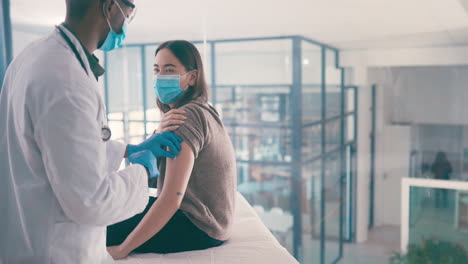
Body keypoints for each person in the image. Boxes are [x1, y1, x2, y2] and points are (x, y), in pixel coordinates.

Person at [0, 0, 183, 263]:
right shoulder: (66, 80)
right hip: (54, 251)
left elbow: (52, 144)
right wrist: (141, 172)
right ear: (110, 7)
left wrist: (127, 150)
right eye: (128, 13)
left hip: (23, 237)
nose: (125, 23)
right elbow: (91, 201)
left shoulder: (31, 56)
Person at [106, 40, 237, 259]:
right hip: (212, 224)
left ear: (192, 77)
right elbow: (153, 176)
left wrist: (122, 249)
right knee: (113, 203)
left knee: (96, 223)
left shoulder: (185, 118)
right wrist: (156, 136)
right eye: (156, 70)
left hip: (197, 226)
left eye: (169, 70)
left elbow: (171, 198)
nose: (160, 77)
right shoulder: (203, 110)